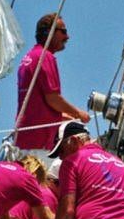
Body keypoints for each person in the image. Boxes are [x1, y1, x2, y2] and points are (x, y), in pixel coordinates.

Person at [14, 13, 89, 158]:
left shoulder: (30, 57)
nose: (67, 37)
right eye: (63, 32)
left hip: (24, 140)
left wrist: (73, 119)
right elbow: (53, 99)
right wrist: (78, 113)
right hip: (36, 144)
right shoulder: (45, 56)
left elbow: (41, 108)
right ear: (49, 33)